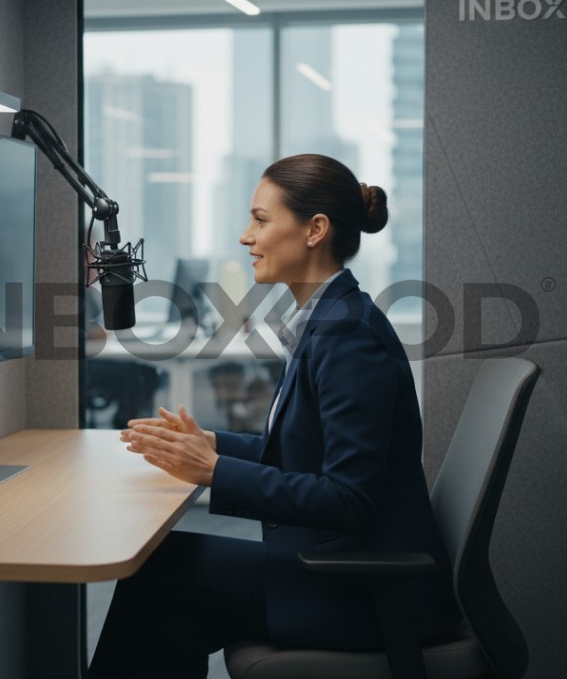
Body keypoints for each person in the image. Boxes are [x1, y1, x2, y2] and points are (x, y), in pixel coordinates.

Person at [87, 155, 457, 678]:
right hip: (338, 569)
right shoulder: (328, 319)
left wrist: (214, 471)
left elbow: (348, 498)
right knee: (169, 604)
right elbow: (304, 454)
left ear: (315, 230)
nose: (245, 236)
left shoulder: (348, 334)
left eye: (261, 220)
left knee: (159, 571)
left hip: (364, 590)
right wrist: (210, 444)